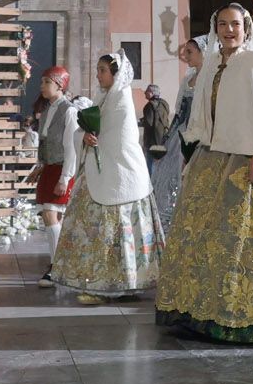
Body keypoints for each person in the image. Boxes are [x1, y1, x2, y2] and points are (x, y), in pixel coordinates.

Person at [156, 5, 253, 343]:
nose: (229, 30)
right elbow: (206, 115)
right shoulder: (213, 64)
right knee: (206, 234)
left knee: (242, 235)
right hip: (216, 153)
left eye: (235, 24)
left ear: (246, 28)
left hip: (252, 156)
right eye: (223, 24)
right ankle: (203, 310)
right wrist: (196, 149)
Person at [51, 52, 163, 302]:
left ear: (116, 74)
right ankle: (100, 282)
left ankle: (112, 285)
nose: (98, 74)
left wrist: (97, 140)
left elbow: (121, 141)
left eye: (102, 70)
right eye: (98, 69)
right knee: (97, 230)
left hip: (120, 176)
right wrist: (86, 137)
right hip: (99, 172)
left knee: (114, 231)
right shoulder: (102, 97)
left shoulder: (121, 100)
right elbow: (86, 131)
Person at [25, 65, 87, 286]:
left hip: (62, 169)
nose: (42, 86)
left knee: (51, 214)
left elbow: (71, 147)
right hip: (49, 167)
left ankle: (58, 266)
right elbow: (45, 142)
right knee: (50, 217)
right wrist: (40, 165)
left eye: (47, 82)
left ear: (60, 85)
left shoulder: (69, 111)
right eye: (42, 82)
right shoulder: (48, 110)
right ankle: (61, 265)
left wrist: (65, 178)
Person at [150, 38, 202, 226]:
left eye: (190, 52)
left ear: (202, 52)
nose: (186, 56)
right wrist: (166, 141)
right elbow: (179, 114)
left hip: (200, 137)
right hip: (180, 138)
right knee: (169, 179)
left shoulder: (210, 78)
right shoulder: (188, 79)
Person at [139, 82, 173, 162]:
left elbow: (149, 123)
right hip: (163, 138)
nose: (145, 92)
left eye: (147, 91)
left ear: (152, 93)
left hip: (151, 141)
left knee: (150, 164)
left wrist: (138, 123)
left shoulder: (149, 106)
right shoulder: (164, 104)